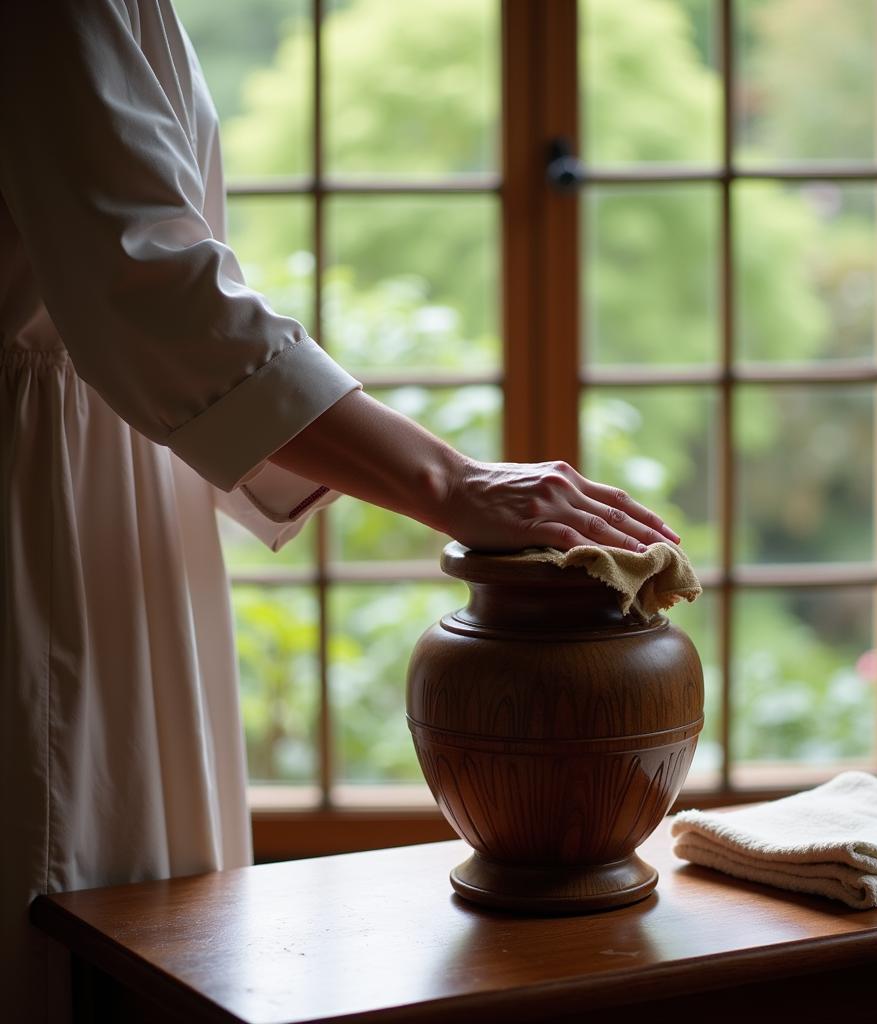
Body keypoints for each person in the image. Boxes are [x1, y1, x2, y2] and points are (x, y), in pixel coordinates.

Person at [0, 1, 680, 1017]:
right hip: (44, 511)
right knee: (64, 895)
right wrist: (448, 482)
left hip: (108, 476)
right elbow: (152, 286)